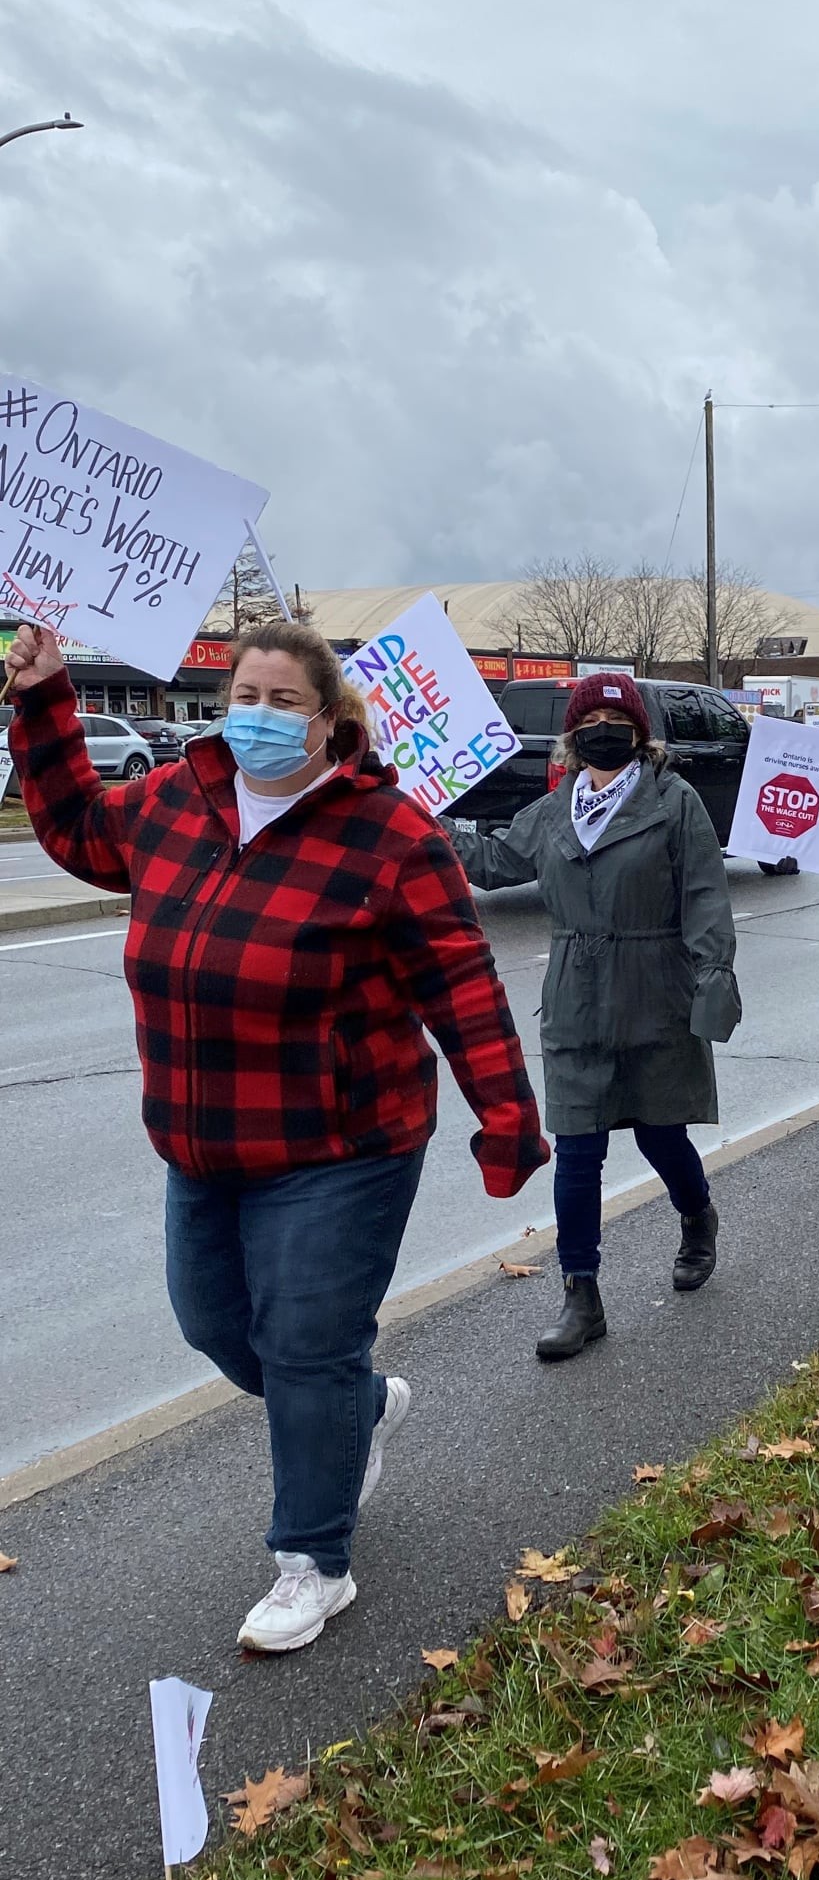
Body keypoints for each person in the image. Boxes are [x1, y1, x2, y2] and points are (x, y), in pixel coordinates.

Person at [3, 619, 548, 1653]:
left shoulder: (389, 835)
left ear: (331, 720)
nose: (253, 715)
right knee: (217, 1327)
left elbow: (462, 987)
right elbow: (75, 828)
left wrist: (507, 1119)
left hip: (342, 1146)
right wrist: (43, 699)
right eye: (241, 695)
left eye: (281, 701)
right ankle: (357, 1404)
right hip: (202, 1141)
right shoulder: (174, 802)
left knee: (304, 1347)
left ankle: (313, 1561)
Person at [441, 672, 739, 1359]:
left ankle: (697, 1216)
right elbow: (495, 861)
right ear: (572, 736)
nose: (604, 729)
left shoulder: (674, 800)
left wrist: (713, 977)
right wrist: (431, 826)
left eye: (618, 718)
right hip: (576, 993)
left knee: (662, 1135)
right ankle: (582, 1294)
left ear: (640, 733)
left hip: (656, 987)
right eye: (591, 719)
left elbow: (704, 896)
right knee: (578, 1149)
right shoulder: (555, 808)